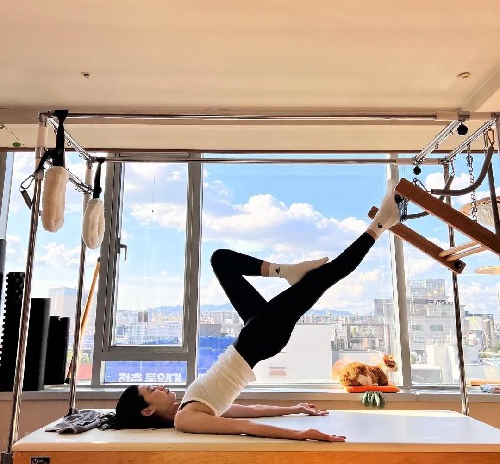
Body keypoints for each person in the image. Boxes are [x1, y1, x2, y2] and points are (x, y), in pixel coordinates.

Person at [100, 181, 401, 442]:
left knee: (221, 260)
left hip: (253, 336)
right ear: (147, 410)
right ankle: (381, 224)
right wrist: (301, 434)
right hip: (257, 340)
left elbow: (246, 411)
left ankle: (286, 271)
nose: (161, 385)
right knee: (322, 279)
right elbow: (245, 427)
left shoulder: (189, 409)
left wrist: (293, 409)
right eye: (152, 389)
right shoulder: (185, 419)